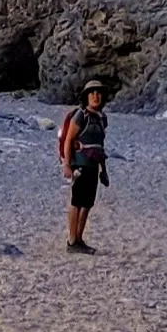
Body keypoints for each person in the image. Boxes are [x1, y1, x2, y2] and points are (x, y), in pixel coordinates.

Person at [56, 81, 112, 253]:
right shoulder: (81, 115)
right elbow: (68, 140)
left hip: (93, 166)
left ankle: (79, 239)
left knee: (87, 203)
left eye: (98, 93)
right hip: (80, 165)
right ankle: (73, 240)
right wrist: (67, 165)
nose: (95, 96)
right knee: (77, 202)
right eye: (92, 93)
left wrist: (103, 170)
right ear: (86, 96)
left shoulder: (101, 118)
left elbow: (99, 146)